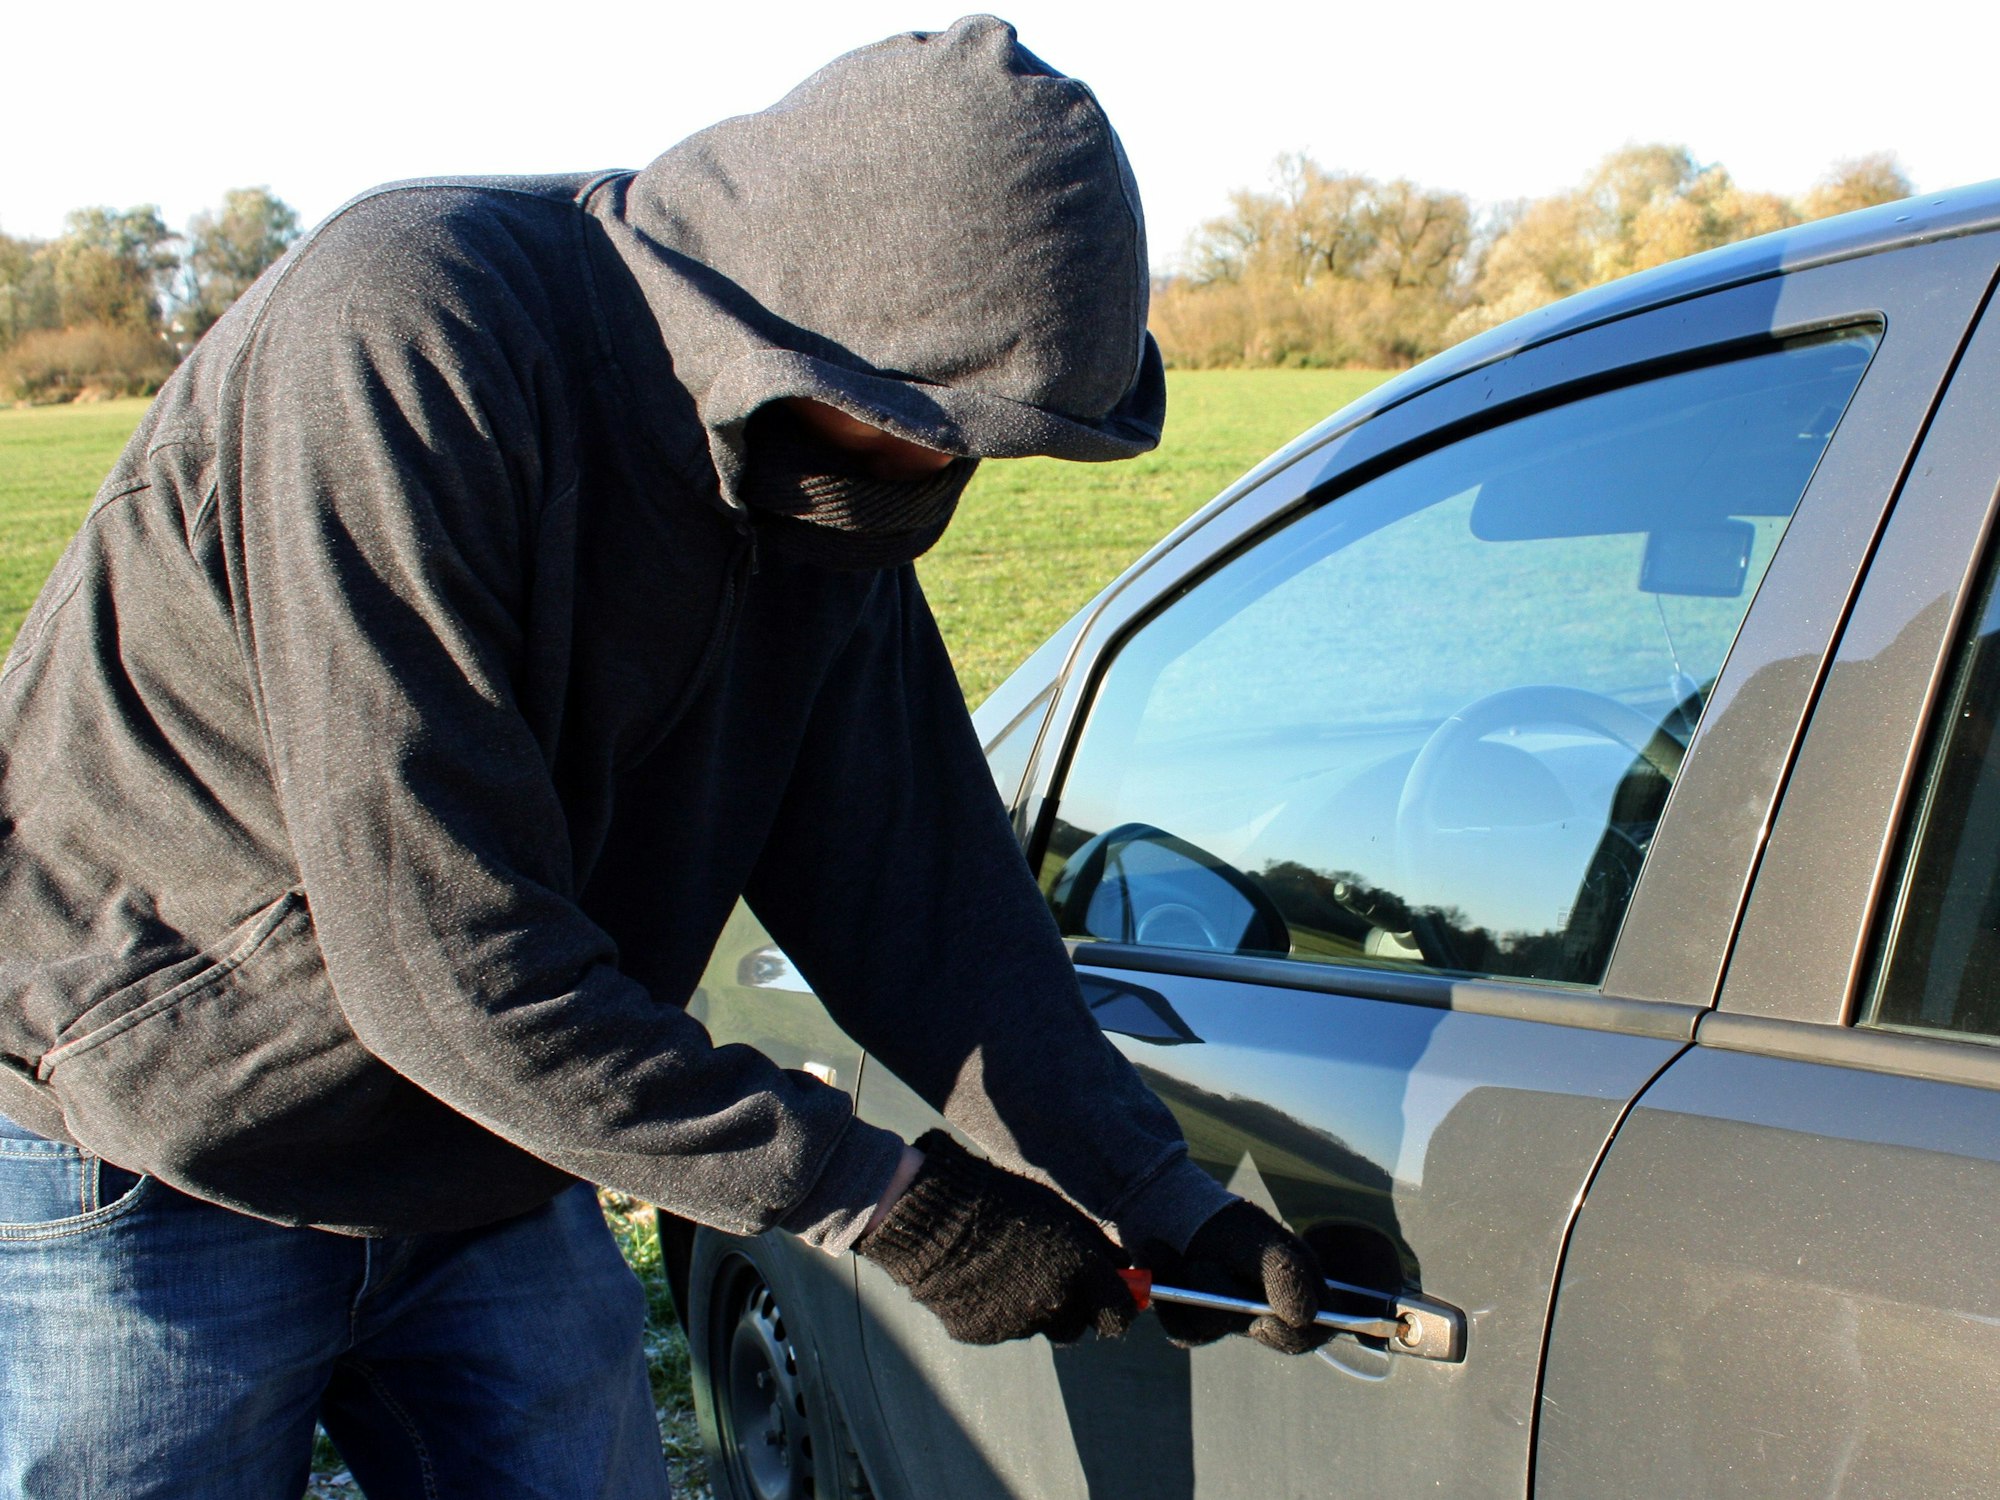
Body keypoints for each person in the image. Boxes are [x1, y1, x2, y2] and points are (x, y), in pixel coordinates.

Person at [0, 16, 1326, 1497]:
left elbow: (925, 900)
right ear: (792, 318)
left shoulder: (828, 472)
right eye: (917, 425)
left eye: (972, 446)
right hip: (160, 1127)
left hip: (491, 1148)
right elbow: (439, 952)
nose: (934, 475)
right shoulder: (412, 330)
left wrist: (1151, 1190)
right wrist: (884, 1199)